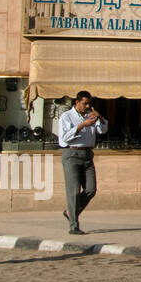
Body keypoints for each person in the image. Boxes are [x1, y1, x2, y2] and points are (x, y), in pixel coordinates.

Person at [57, 91, 107, 235]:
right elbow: (64, 138)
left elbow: (103, 130)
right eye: (85, 103)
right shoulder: (66, 116)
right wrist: (81, 125)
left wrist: (100, 118)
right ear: (77, 102)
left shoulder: (90, 115)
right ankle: (74, 225)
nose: (87, 106)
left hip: (87, 154)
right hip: (71, 154)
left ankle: (70, 212)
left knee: (91, 189)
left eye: (89, 103)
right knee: (73, 191)